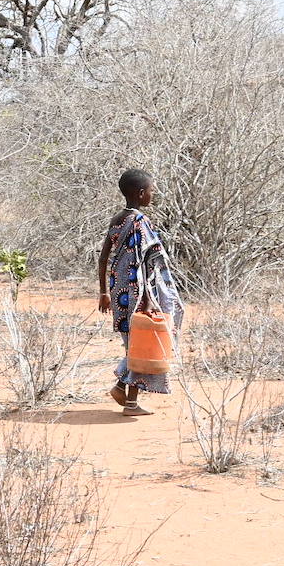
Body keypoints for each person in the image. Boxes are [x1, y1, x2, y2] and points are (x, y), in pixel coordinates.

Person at [95, 168, 183, 416]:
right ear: (141, 193)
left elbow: (103, 258)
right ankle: (130, 403)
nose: (153, 195)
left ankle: (121, 386)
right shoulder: (140, 222)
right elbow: (144, 263)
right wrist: (148, 298)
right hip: (138, 292)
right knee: (142, 345)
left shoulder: (117, 219)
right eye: (152, 191)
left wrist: (104, 292)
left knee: (134, 343)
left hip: (118, 289)